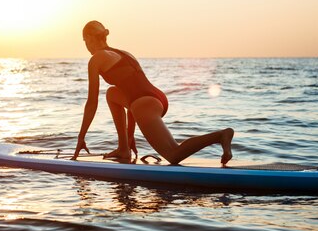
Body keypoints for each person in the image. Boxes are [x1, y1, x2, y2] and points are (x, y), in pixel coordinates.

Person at [72, 20, 234, 165]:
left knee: (173, 155)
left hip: (144, 103)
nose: (86, 45)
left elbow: (92, 102)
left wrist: (81, 137)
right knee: (112, 94)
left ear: (90, 37)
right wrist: (129, 137)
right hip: (155, 97)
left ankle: (220, 135)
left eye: (85, 40)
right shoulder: (123, 53)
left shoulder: (96, 59)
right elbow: (130, 95)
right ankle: (123, 148)